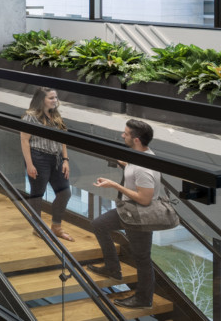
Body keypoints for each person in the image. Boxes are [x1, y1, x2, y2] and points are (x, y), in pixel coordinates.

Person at [88, 119, 161, 310]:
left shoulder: (144, 167)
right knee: (99, 224)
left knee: (142, 257)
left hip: (139, 216)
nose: (123, 135)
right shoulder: (139, 157)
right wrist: (124, 164)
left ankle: (144, 298)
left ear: (136, 139)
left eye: (126, 133)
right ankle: (112, 268)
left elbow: (144, 199)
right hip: (129, 211)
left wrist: (114, 185)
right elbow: (134, 171)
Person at [20, 87, 76, 242]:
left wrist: (66, 160)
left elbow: (63, 138)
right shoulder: (30, 117)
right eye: (51, 98)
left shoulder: (55, 115)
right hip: (38, 157)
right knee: (38, 193)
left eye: (55, 97)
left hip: (57, 158)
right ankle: (37, 227)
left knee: (65, 193)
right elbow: (24, 141)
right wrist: (29, 164)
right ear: (41, 100)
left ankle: (56, 227)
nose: (55, 101)